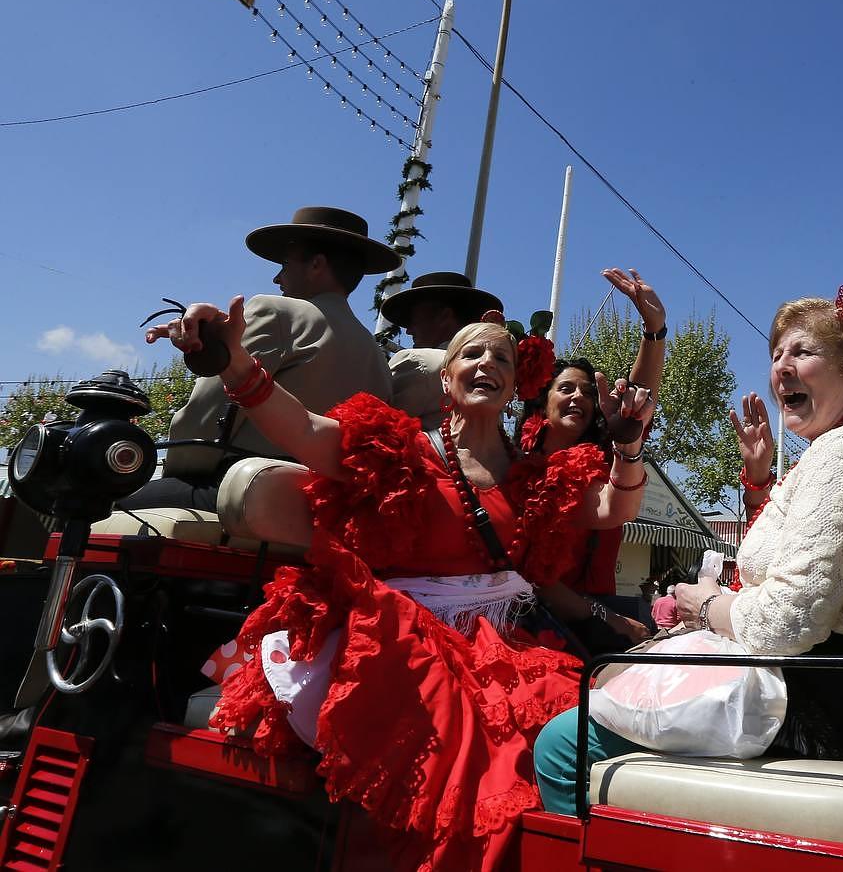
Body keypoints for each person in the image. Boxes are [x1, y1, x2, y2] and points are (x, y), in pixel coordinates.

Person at [142, 299, 656, 871]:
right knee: (478, 773)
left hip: (509, 647)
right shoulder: (399, 449)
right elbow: (306, 431)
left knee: (579, 745)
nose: (488, 362)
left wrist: (628, 442)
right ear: (446, 376)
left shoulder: (531, 474)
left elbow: (613, 508)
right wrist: (235, 362)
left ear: (516, 385)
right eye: (473, 353)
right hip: (406, 643)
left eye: (503, 358)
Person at [532, 285, 843, 813]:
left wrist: (705, 605)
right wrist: (756, 483)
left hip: (815, 707)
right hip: (813, 686)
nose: (782, 368)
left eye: (802, 352)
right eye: (776, 356)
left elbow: (784, 624)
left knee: (563, 743)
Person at [120, 207, 399, 510]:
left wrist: (173, 472)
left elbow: (205, 417)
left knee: (99, 503)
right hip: (327, 509)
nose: (277, 277)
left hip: (244, 493)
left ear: (317, 264)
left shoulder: (276, 311)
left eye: (285, 264)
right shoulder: (378, 355)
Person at [513, 268, 670, 652]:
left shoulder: (609, 453)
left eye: (587, 392)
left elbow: (638, 396)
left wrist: (655, 331)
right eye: (566, 388)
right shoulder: (511, 460)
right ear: (542, 400)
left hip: (599, 619)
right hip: (525, 620)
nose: (579, 398)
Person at [380, 271, 505, 428]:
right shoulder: (498, 375)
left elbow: (375, 429)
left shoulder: (418, 362)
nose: (408, 330)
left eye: (413, 320)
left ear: (444, 316)